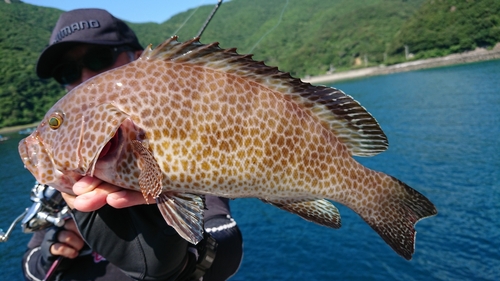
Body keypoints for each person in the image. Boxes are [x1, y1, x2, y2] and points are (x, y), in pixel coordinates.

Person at [22, 8, 243, 281]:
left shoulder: (190, 130)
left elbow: (227, 237)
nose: (86, 76)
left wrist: (179, 268)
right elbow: (30, 267)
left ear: (138, 58)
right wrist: (50, 254)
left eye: (99, 58)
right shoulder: (61, 179)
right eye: (67, 72)